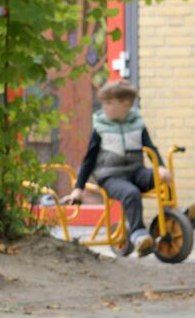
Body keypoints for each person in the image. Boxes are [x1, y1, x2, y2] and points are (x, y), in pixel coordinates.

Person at [62, 79, 168, 256]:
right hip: (111, 177)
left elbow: (151, 148)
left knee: (162, 177)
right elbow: (89, 159)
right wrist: (78, 188)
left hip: (136, 171)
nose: (105, 107)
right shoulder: (101, 127)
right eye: (104, 103)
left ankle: (174, 216)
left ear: (126, 104)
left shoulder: (137, 124)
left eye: (110, 103)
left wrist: (161, 167)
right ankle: (138, 234)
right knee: (131, 193)